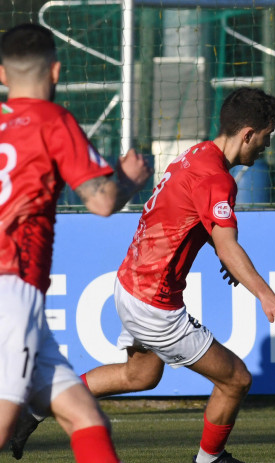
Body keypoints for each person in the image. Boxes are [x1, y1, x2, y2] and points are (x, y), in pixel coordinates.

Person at [11, 86, 275, 463]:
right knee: (236, 379)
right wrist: (267, 295)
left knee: (140, 376)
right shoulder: (217, 178)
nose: (266, 147)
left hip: (129, 284)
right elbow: (226, 244)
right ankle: (210, 460)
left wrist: (226, 256)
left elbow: (193, 221)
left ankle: (37, 405)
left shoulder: (196, 155)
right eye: (265, 137)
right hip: (154, 303)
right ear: (247, 133)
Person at [0, 23, 152, 462]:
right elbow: (102, 201)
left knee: (84, 416)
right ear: (56, 71)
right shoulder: (53, 120)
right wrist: (129, 179)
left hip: (17, 292)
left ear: (3, 75)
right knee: (3, 423)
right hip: (13, 285)